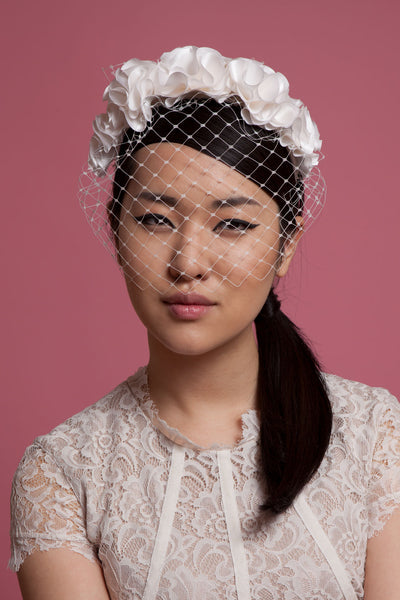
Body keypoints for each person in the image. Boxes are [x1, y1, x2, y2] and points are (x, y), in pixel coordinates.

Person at [9, 46, 400, 599]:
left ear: (285, 246)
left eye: (233, 224)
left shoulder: (379, 437)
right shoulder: (63, 474)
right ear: (116, 235)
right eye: (154, 219)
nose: (188, 263)